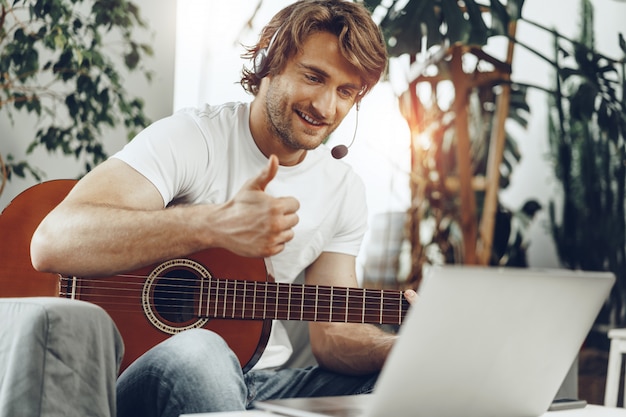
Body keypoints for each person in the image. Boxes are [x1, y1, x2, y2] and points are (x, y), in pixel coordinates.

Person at [30, 1, 417, 416]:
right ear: (271, 59)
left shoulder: (344, 189)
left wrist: (401, 348)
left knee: (403, 378)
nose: (326, 107)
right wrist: (213, 224)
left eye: (346, 92)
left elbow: (333, 333)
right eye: (314, 77)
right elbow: (52, 242)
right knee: (202, 350)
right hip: (148, 374)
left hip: (265, 385)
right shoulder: (193, 137)